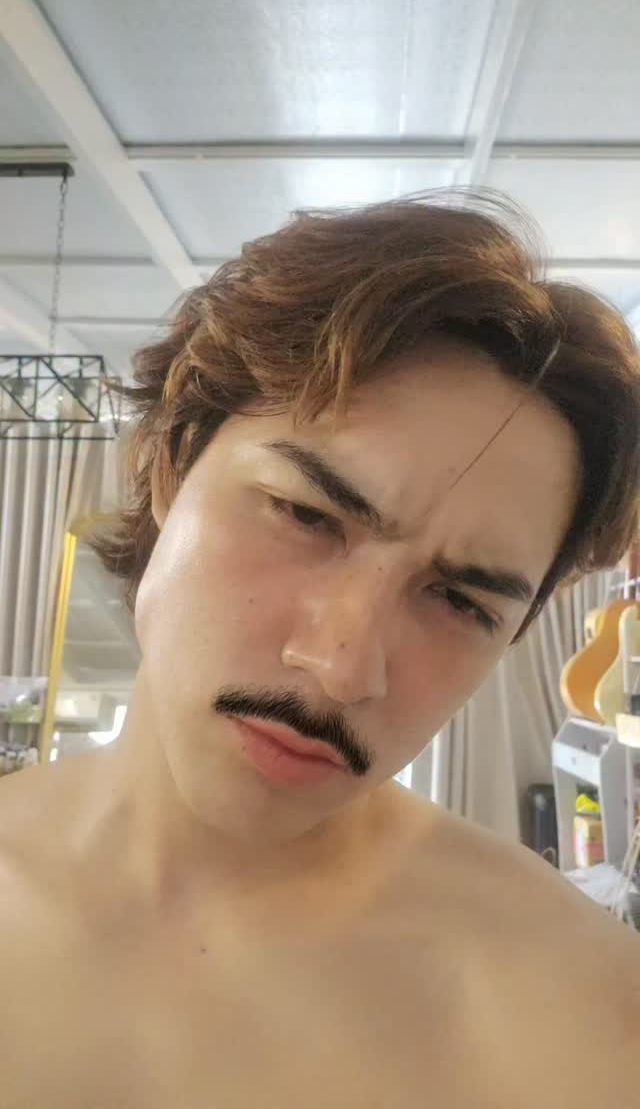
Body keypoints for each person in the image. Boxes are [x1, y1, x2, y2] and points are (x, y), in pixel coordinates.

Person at [1, 190, 639, 1107]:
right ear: (171, 465)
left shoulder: (585, 1021)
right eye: (307, 516)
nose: (343, 669)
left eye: (460, 601)